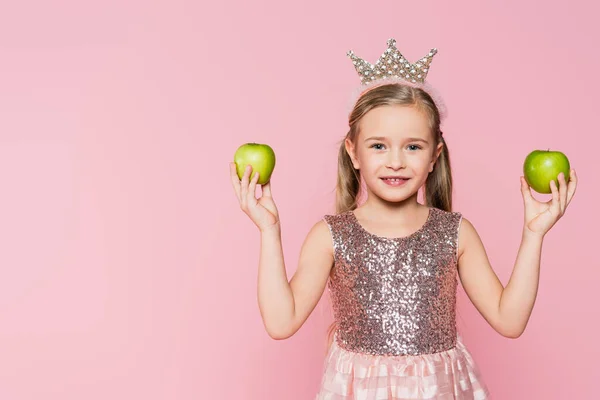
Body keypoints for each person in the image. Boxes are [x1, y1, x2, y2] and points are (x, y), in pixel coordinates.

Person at [229, 38, 578, 399]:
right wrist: (269, 230)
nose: (396, 161)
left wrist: (534, 234)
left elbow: (510, 320)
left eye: (412, 146)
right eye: (379, 145)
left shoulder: (454, 233)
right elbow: (280, 322)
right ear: (353, 152)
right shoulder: (331, 236)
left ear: (434, 156)